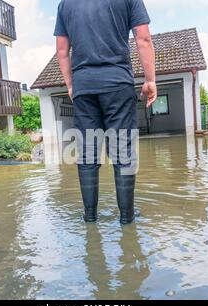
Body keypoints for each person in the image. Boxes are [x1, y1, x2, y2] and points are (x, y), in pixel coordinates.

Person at [55, 0, 157, 224]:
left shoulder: (65, 5)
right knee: (123, 153)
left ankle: (90, 217)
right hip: (117, 83)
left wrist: (71, 86)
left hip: (84, 87)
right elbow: (143, 38)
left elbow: (62, 51)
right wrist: (150, 80)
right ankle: (127, 218)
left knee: (87, 153)